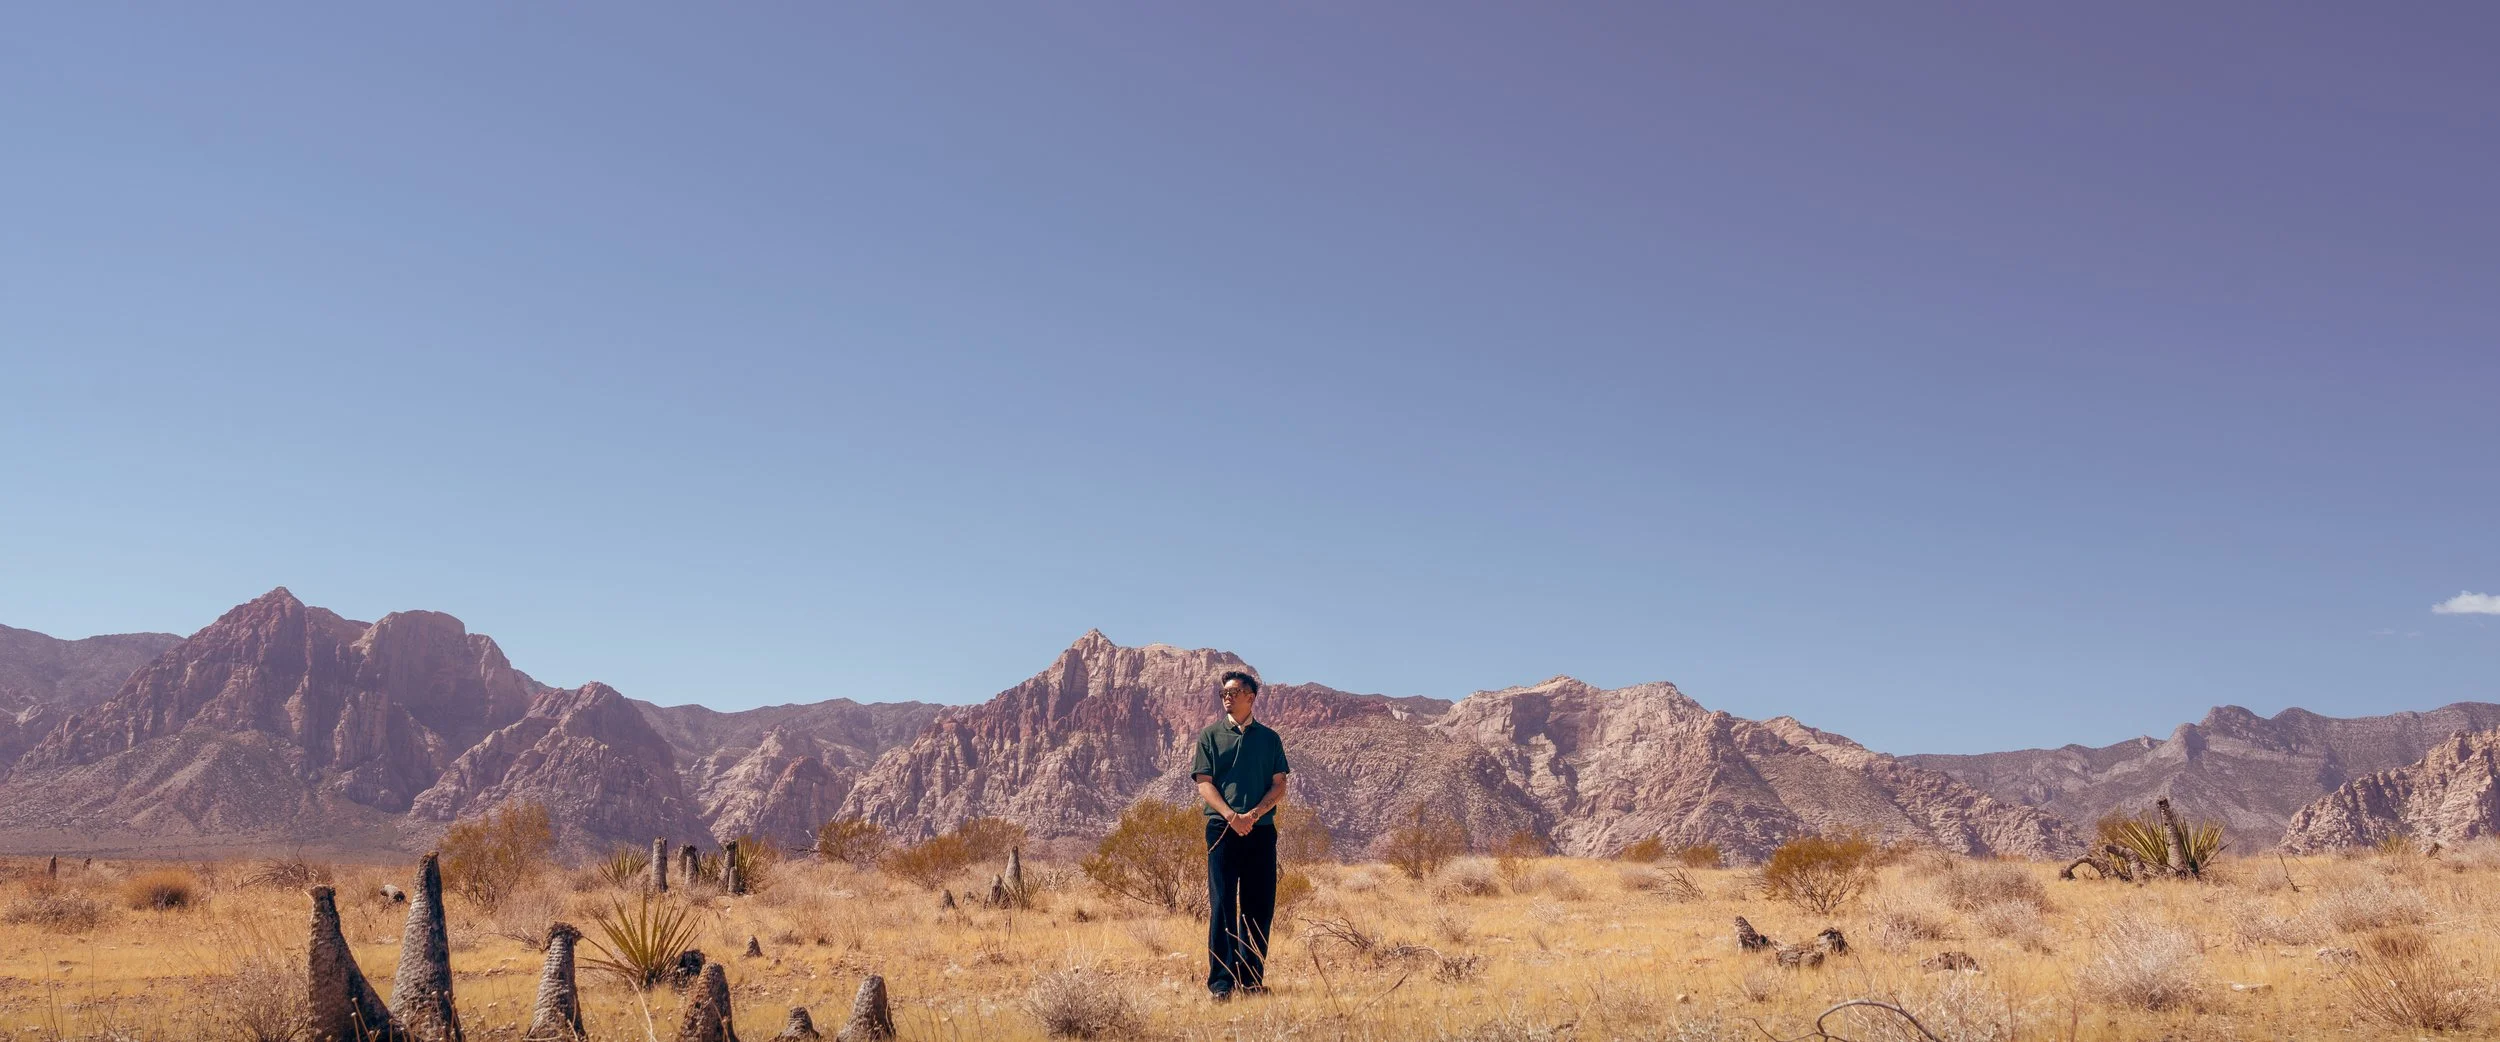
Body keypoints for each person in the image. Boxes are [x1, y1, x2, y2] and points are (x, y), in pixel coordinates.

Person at [1190, 668, 1291, 1001]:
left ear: (1251, 696)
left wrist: (1254, 814)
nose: (1227, 698)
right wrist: (1231, 816)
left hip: (1260, 831)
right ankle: (1221, 984)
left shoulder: (1269, 739)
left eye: (1233, 692)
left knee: (1258, 906)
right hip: (1221, 830)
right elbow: (1205, 782)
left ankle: (1251, 981)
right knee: (1222, 906)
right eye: (1224, 693)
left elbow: (1279, 785)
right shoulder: (1209, 736)